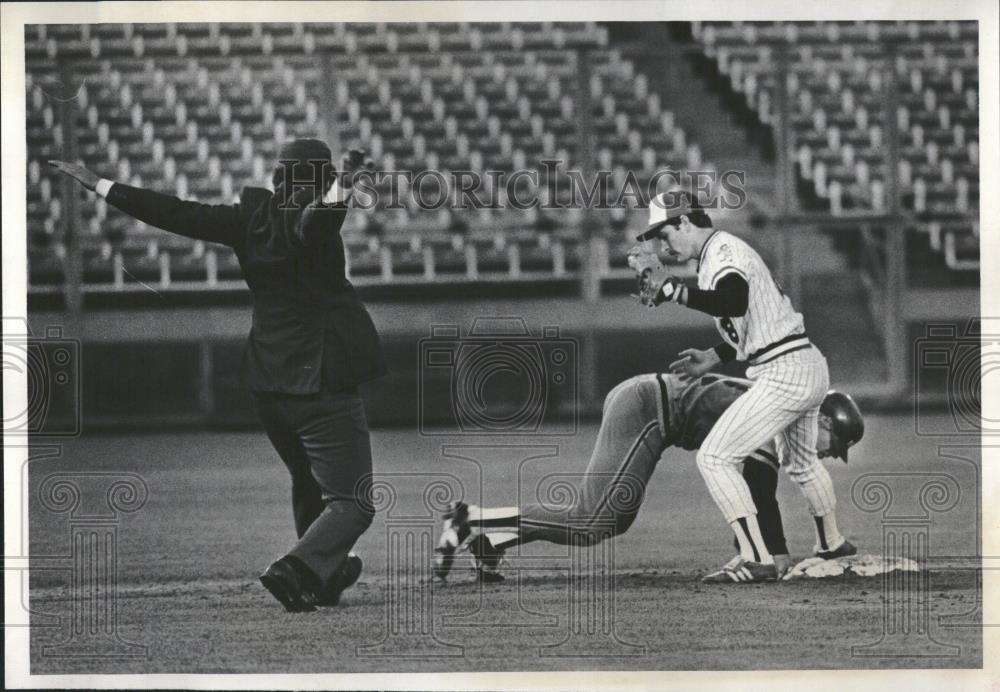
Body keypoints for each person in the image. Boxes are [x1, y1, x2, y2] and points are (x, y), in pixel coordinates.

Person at [50, 139, 386, 612]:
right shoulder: (312, 220)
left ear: (278, 176)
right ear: (320, 179)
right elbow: (315, 223)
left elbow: (175, 212)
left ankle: (326, 576)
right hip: (322, 384)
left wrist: (102, 184)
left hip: (269, 389)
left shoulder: (245, 219)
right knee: (354, 504)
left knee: (309, 482)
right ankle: (297, 569)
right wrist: (342, 191)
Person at [432, 372, 864, 583]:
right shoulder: (780, 414)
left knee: (609, 521)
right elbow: (759, 491)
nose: (830, 452)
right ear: (821, 418)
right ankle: (470, 518)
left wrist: (764, 551)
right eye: (834, 441)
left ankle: (493, 539)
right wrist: (774, 554)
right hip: (646, 409)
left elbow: (754, 484)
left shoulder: (782, 410)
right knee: (591, 521)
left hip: (651, 410)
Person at [631, 191, 854, 584]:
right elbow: (752, 323)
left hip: (784, 373)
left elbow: (733, 299)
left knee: (715, 458)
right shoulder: (720, 254)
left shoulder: (722, 253)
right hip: (804, 363)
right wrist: (714, 357)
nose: (663, 246)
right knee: (801, 463)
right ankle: (831, 542)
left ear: (684, 222)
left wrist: (673, 291)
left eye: (665, 235)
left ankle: (756, 557)